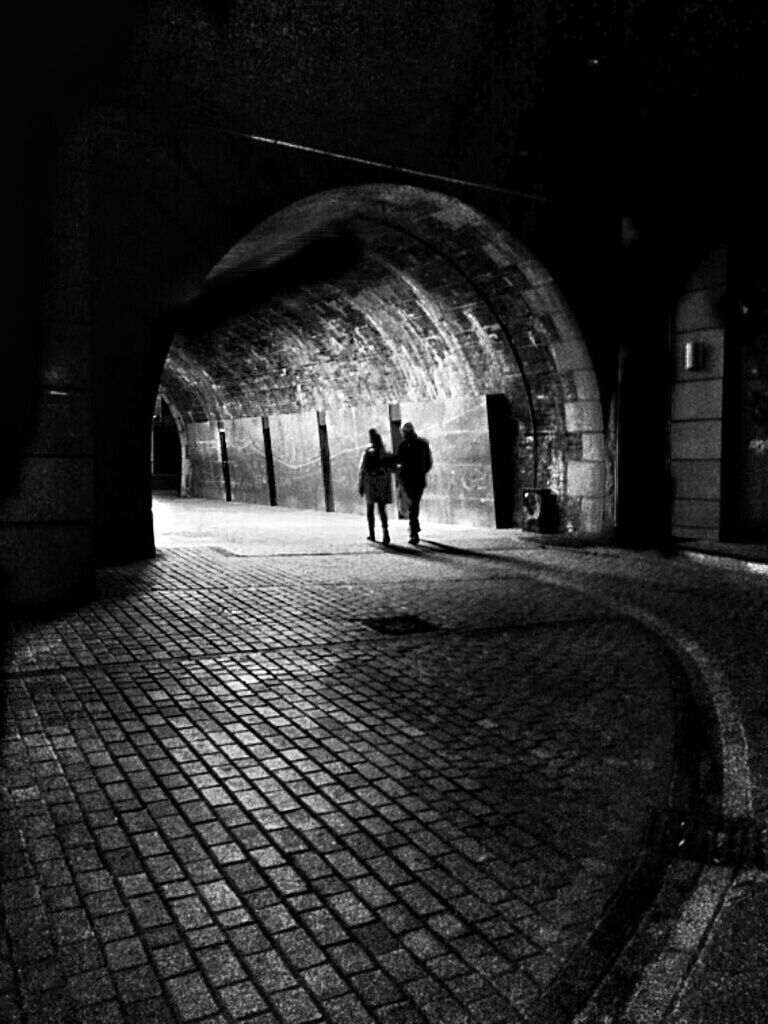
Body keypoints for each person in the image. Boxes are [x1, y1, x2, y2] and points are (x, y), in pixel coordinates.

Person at [395, 422, 432, 545]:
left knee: (413, 504)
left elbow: (399, 461)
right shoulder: (422, 444)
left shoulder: (404, 445)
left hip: (410, 479)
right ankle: (414, 528)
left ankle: (414, 530)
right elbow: (428, 461)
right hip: (417, 478)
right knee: (414, 504)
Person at [358, 428, 392, 545]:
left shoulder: (367, 451)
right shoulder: (383, 451)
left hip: (370, 482)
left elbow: (362, 469)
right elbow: (389, 467)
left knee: (370, 508)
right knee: (382, 509)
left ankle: (372, 534)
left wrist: (361, 485)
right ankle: (385, 532)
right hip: (381, 482)